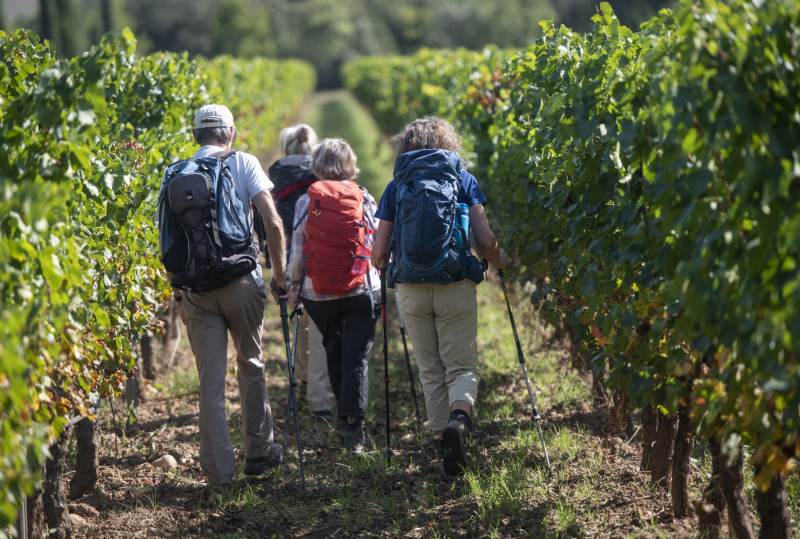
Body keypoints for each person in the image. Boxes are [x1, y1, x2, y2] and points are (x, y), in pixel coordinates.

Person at [370, 116, 509, 478]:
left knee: (431, 367)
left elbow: (378, 253)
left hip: (410, 289)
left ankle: (443, 442)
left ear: (406, 147)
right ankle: (459, 421)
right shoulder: (463, 180)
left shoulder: (396, 185)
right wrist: (501, 261)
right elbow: (484, 240)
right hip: (455, 282)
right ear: (450, 144)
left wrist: (389, 263)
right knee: (461, 365)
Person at [168, 103, 288, 487]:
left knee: (210, 383)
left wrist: (178, 295)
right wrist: (280, 276)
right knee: (251, 362)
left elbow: (168, 241)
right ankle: (258, 453)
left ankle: (219, 476)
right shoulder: (245, 162)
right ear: (231, 133)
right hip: (241, 282)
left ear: (195, 136)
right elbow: (271, 220)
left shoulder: (175, 172)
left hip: (197, 291)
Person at [286, 138, 381, 454]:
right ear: (350, 165)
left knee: (333, 349)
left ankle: (344, 412)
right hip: (361, 289)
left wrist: (294, 289)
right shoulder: (364, 198)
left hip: (318, 294)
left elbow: (297, 254)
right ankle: (354, 426)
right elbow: (377, 242)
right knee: (357, 355)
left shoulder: (305, 202)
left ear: (317, 166)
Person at [268, 124, 336, 419]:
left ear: (286, 150)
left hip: (290, 263)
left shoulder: (276, 178)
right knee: (322, 331)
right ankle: (320, 400)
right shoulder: (321, 176)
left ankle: (302, 383)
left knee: (300, 323)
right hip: (319, 262)